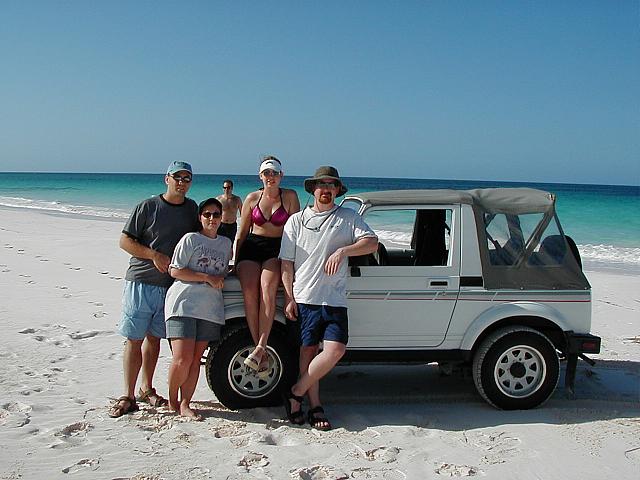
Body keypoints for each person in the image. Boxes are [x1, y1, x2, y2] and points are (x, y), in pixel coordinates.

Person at [279, 166, 377, 430]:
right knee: (307, 352)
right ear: (313, 189)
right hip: (304, 297)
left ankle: (295, 393)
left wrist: (343, 251)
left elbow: (372, 243)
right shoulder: (296, 221)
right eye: (321, 185)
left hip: (334, 299)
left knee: (335, 350)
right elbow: (286, 264)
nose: (326, 190)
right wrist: (289, 297)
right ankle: (315, 405)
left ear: (337, 190)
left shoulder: (348, 217)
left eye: (331, 185)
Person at [109, 161, 199, 418]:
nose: (182, 182)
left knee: (154, 338)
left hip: (170, 286)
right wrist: (153, 256)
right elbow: (125, 240)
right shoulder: (148, 206)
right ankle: (127, 394)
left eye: (187, 178)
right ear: (166, 179)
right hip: (140, 282)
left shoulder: (191, 208)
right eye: (177, 177)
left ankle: (146, 388)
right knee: (134, 338)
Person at [164, 198, 231, 419]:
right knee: (181, 359)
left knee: (195, 360)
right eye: (207, 214)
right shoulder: (190, 239)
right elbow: (175, 270)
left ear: (222, 218)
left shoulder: (225, 244)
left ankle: (185, 403)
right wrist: (206, 277)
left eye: (216, 215)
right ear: (200, 217)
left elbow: (223, 270)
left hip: (210, 308)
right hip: (183, 304)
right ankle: (172, 399)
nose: (212, 219)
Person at [235, 155, 300, 377]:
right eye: (266, 173)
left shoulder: (290, 197)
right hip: (252, 247)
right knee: (249, 292)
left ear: (281, 175)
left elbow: (295, 232)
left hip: (276, 249)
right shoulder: (252, 198)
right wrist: (235, 260)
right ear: (260, 175)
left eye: (274, 172)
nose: (270, 177)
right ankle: (259, 348)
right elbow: (242, 233)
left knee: (268, 289)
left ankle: (261, 346)